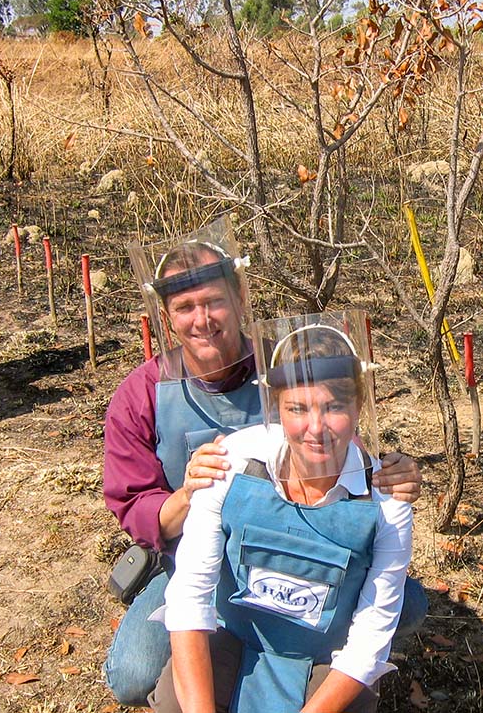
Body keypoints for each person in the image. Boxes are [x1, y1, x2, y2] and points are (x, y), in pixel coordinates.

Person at [102, 222, 425, 706]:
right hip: (194, 556)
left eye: (214, 301)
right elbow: (134, 508)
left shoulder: (287, 366)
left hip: (307, 549)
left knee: (406, 604)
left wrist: (392, 474)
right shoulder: (141, 394)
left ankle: (318, 649)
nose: (202, 319)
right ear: (166, 316)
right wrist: (189, 495)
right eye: (185, 307)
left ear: (239, 300)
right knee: (133, 675)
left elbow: (341, 446)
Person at [149, 317, 409, 713]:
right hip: (235, 639)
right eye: (297, 408)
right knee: (176, 701)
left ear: (359, 405)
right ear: (275, 407)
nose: (315, 428)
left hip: (323, 657)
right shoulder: (231, 463)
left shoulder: (387, 501)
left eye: (334, 407)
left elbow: (370, 638)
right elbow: (190, 595)